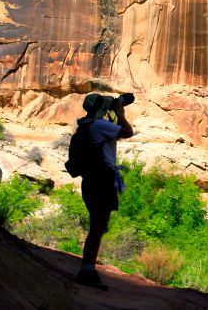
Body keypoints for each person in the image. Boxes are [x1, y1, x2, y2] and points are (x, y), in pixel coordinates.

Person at [74, 93, 134, 290]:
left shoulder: (88, 125)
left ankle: (88, 269)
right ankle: (87, 271)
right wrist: (119, 111)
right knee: (98, 226)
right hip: (101, 181)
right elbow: (127, 131)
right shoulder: (99, 126)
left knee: (98, 226)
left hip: (93, 180)